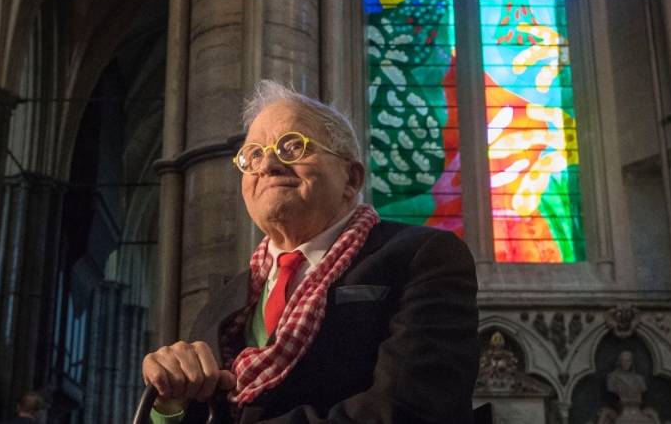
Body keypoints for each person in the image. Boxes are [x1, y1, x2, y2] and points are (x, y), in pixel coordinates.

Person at [142, 80, 479, 423]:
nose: (268, 164)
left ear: (351, 178)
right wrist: (169, 404)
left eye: (292, 147)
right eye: (253, 154)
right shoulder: (223, 302)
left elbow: (410, 409)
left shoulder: (421, 257)